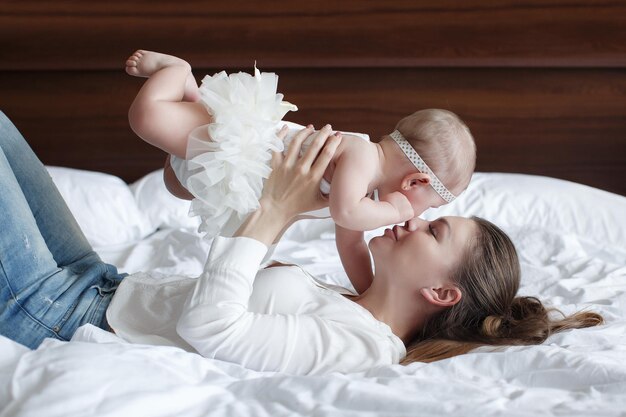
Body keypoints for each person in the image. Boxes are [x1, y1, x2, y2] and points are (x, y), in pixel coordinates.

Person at [0, 111, 602, 375]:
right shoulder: (353, 299)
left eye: (434, 228)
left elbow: (214, 329)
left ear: (442, 290)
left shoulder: (362, 349)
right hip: (100, 281)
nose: (413, 219)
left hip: (58, 312)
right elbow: (341, 219)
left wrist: (277, 210)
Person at [125, 50, 477, 293]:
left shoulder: (363, 190)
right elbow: (345, 213)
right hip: (235, 144)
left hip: (235, 179)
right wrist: (394, 209)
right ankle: (176, 71)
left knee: (177, 184)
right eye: (425, 206)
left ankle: (191, 97)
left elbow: (351, 244)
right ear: (415, 181)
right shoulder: (362, 155)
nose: (414, 216)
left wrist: (369, 293)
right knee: (147, 118)